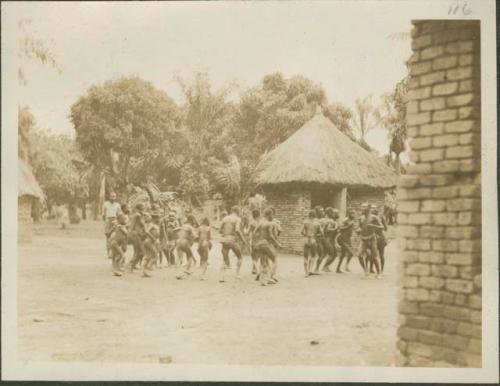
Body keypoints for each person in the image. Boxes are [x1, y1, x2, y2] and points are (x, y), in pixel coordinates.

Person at [253, 208, 282, 285]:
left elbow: (254, 232)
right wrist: (277, 243)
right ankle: (270, 277)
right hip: (266, 244)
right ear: (269, 214)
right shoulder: (270, 224)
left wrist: (258, 240)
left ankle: (263, 281)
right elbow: (271, 235)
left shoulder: (260, 223)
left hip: (259, 244)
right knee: (274, 260)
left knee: (263, 262)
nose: (272, 216)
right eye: (272, 214)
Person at [219, 206, 246, 282]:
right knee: (240, 256)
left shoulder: (224, 219)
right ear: (238, 211)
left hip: (224, 239)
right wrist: (243, 239)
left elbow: (220, 230)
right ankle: (237, 274)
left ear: (231, 211)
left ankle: (222, 277)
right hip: (232, 240)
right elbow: (237, 230)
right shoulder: (237, 219)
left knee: (225, 258)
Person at [357, 203, 384, 279]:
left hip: (372, 239)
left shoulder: (374, 217)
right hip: (363, 239)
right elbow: (360, 228)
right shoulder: (360, 218)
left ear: (368, 209)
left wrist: (373, 226)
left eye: (363, 207)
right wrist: (358, 230)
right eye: (361, 207)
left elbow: (382, 227)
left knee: (374, 257)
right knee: (359, 255)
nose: (362, 209)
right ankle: (366, 271)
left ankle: (379, 273)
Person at [175, 214, 197, 279]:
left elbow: (176, 231)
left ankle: (178, 273)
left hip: (178, 241)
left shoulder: (182, 225)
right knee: (190, 256)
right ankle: (187, 269)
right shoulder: (190, 227)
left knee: (179, 258)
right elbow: (195, 236)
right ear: (192, 220)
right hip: (185, 241)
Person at [127, 203, 146, 272]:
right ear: (138, 209)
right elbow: (142, 224)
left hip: (137, 235)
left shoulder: (139, 215)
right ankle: (131, 266)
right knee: (141, 252)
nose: (143, 209)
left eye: (143, 208)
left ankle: (131, 266)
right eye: (142, 208)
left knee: (137, 252)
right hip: (136, 235)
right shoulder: (138, 215)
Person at [301, 210, 321, 277]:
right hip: (313, 240)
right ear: (315, 215)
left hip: (306, 239)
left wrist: (305, 235)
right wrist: (316, 235)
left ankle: (306, 273)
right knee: (313, 256)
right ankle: (310, 270)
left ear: (309, 215)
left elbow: (301, 232)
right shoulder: (317, 223)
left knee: (305, 257)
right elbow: (321, 233)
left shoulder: (305, 222)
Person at [103, 192, 122, 259]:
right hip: (108, 220)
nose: (113, 198)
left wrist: (117, 222)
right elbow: (104, 214)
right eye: (112, 196)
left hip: (115, 220)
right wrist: (106, 222)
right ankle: (108, 254)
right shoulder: (106, 204)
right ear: (109, 197)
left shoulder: (117, 205)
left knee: (114, 237)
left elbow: (119, 214)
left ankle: (114, 252)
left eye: (114, 196)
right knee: (108, 238)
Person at [321, 207, 340, 273]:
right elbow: (328, 229)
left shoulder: (334, 221)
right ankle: (324, 267)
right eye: (335, 213)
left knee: (333, 254)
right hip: (328, 239)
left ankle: (325, 267)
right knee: (332, 254)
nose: (336, 214)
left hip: (330, 240)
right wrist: (335, 228)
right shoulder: (330, 221)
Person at [141, 212, 160, 278]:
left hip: (147, 241)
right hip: (149, 241)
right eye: (157, 218)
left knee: (147, 256)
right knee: (155, 256)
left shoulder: (148, 224)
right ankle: (149, 267)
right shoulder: (151, 224)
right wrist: (153, 238)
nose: (158, 219)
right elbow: (147, 231)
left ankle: (144, 272)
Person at [313, 206, 329, 274]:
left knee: (324, 254)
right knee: (321, 254)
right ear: (317, 212)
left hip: (322, 239)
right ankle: (315, 269)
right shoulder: (315, 221)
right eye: (321, 211)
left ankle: (316, 268)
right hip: (317, 240)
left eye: (323, 211)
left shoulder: (322, 220)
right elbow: (315, 232)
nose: (323, 212)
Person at [372, 206, 388, 274]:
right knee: (372, 254)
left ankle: (381, 270)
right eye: (373, 209)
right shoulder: (370, 218)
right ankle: (371, 269)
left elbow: (385, 228)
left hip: (380, 238)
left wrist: (378, 227)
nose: (373, 211)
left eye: (375, 209)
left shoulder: (381, 217)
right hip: (373, 237)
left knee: (381, 254)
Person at [246, 209, 262, 275]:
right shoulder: (262, 222)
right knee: (261, 254)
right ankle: (261, 269)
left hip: (254, 240)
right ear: (259, 215)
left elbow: (247, 232)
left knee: (253, 255)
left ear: (253, 215)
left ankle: (254, 269)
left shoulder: (251, 223)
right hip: (261, 240)